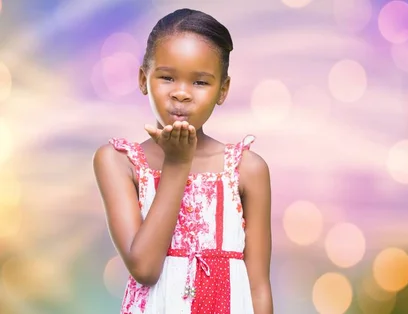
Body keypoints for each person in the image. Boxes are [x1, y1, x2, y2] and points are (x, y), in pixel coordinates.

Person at [92, 8, 273, 314]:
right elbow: (145, 268)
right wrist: (177, 165)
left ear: (223, 90)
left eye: (200, 82)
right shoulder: (119, 162)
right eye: (167, 77)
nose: (181, 94)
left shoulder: (247, 169)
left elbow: (258, 287)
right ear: (142, 79)